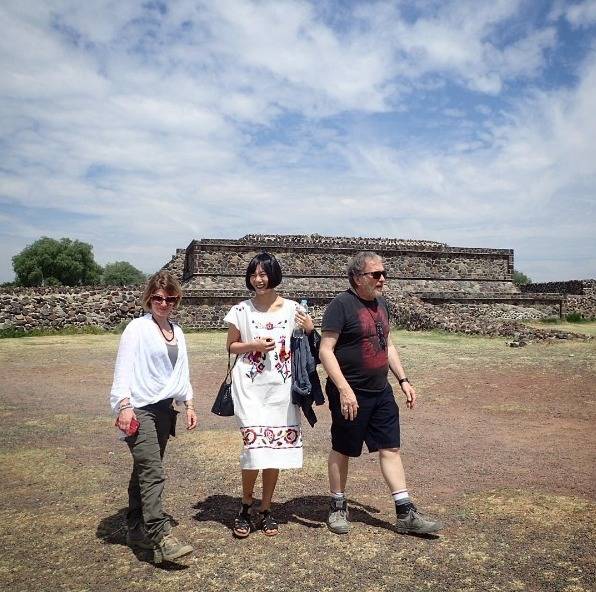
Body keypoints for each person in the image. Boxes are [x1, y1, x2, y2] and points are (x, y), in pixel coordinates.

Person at [319, 251, 442, 535]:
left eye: (383, 273)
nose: (382, 279)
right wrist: (344, 390)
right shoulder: (341, 305)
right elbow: (326, 351)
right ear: (357, 278)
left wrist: (403, 380)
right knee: (343, 449)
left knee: (391, 448)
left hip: (380, 391)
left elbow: (388, 344)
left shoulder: (382, 304)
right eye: (376, 274)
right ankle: (337, 505)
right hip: (351, 392)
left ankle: (405, 512)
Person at [110, 270, 197, 563]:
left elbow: (181, 372)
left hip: (164, 410)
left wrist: (189, 404)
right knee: (153, 471)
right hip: (139, 408)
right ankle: (161, 535)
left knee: (145, 469)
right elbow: (123, 368)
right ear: (149, 298)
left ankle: (135, 529)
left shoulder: (177, 331)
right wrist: (123, 405)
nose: (164, 303)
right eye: (158, 298)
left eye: (170, 298)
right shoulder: (136, 328)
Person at [224, 252, 314, 537]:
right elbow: (231, 347)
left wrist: (310, 328)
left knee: (274, 450)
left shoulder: (292, 309)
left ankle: (266, 508)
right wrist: (254, 345)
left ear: (273, 275)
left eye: (263, 274)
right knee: (254, 449)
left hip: (281, 388)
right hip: (250, 387)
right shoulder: (241, 310)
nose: (258, 279)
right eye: (253, 274)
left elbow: (307, 338)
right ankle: (245, 506)